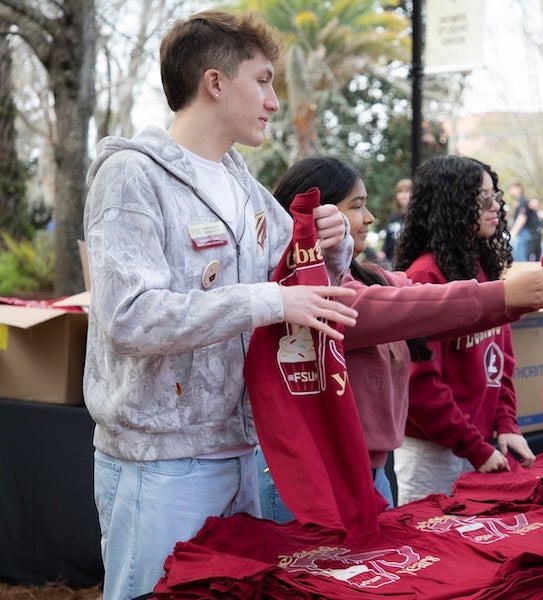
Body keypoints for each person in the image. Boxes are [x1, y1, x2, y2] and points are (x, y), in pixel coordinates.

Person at [81, 12, 358, 600]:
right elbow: (129, 317)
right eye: (262, 81)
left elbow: (297, 275)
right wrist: (267, 299)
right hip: (160, 463)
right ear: (214, 83)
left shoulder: (243, 184)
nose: (274, 102)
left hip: (240, 453)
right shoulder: (132, 176)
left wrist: (334, 242)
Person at [257, 156, 543, 514]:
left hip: (373, 471)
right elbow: (420, 310)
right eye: (357, 206)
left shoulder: (373, 276)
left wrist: (503, 421)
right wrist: (506, 296)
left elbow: (472, 338)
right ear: (320, 216)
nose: (369, 219)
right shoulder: (314, 298)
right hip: (321, 475)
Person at [391, 156, 538, 505]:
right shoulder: (424, 276)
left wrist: (507, 425)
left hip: (478, 447)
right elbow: (420, 384)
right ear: (452, 205)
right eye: (480, 197)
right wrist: (475, 447)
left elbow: (500, 362)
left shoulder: (481, 267)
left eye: (494, 194)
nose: (494, 205)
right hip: (434, 453)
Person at [381, 177, 412, 267]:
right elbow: (387, 241)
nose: (403, 195)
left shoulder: (417, 218)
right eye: (400, 192)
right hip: (392, 262)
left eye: (407, 191)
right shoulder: (392, 218)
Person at [507, 181, 536, 262]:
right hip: (521, 232)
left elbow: (522, 217)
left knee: (520, 259)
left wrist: (513, 233)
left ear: (518, 188)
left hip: (522, 233)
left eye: (512, 188)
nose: (510, 191)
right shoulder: (519, 201)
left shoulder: (522, 201)